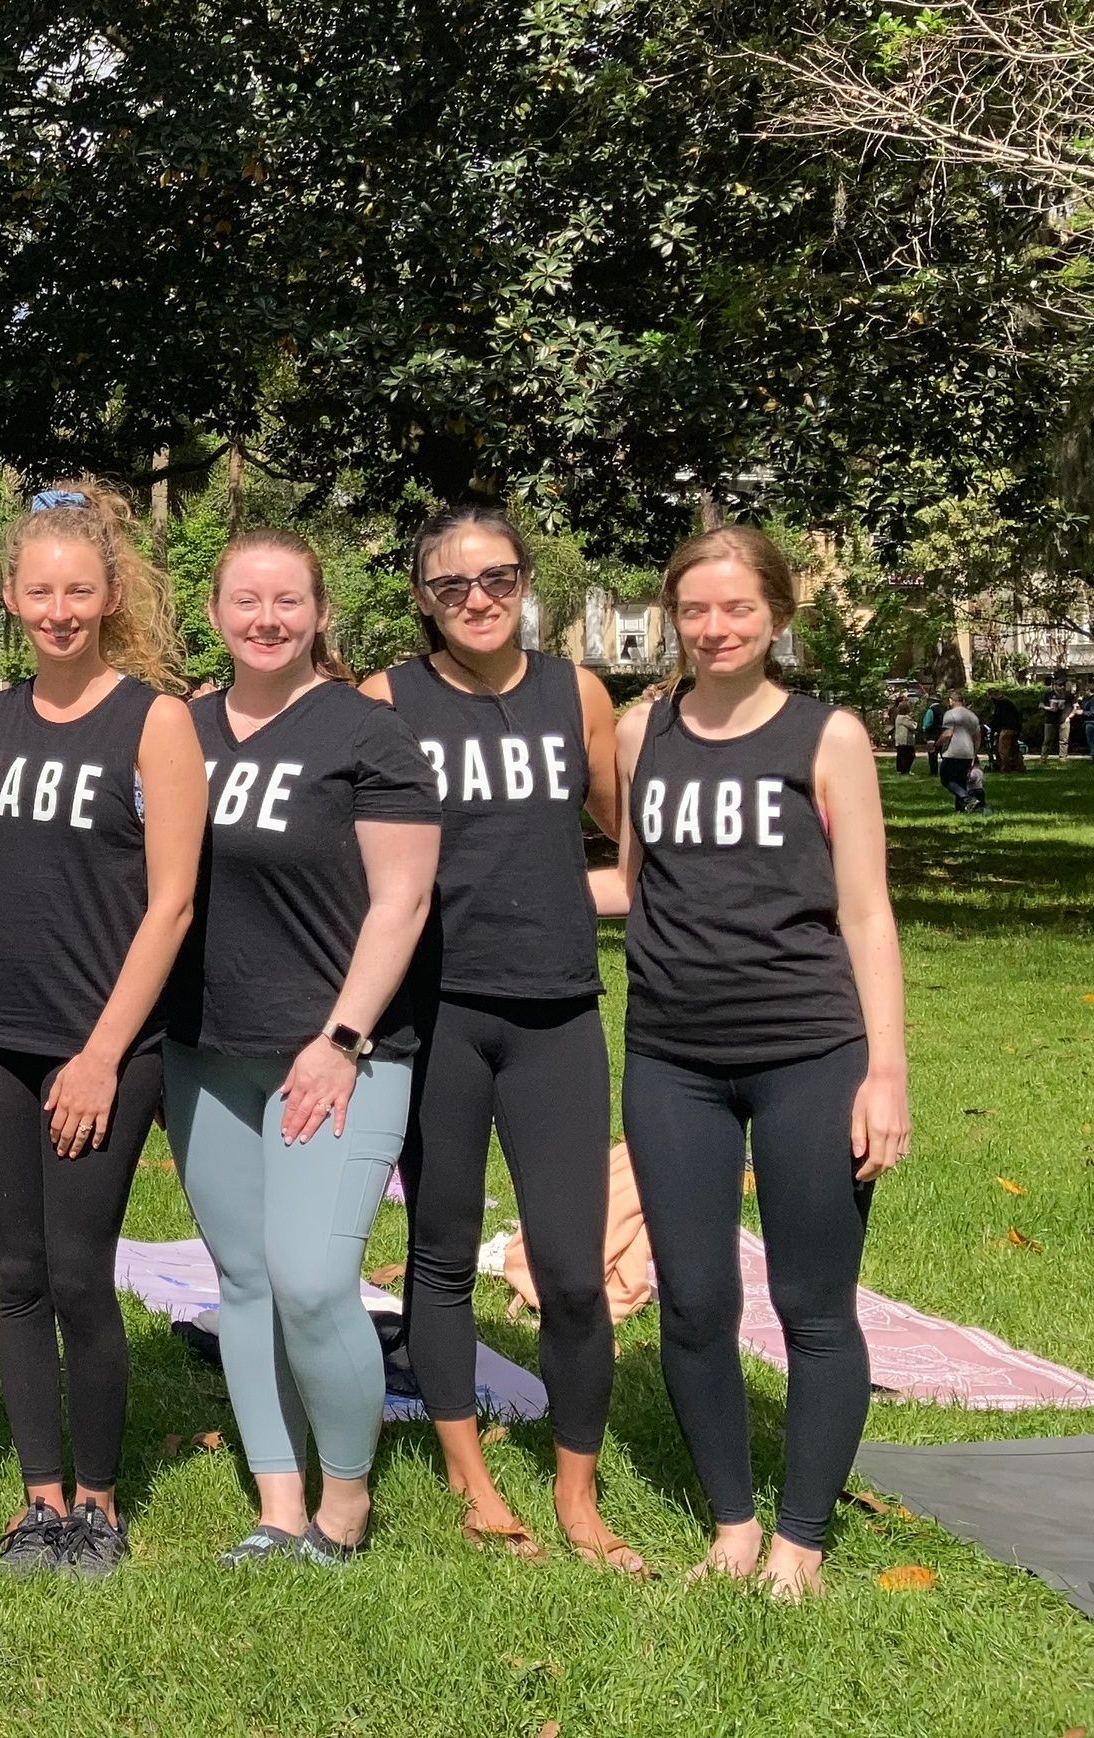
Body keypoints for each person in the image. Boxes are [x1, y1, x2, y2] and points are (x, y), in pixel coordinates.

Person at [596, 525, 911, 1597]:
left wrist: (886, 1073)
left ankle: (802, 1542)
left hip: (809, 1055)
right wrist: (472, 880)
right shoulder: (644, 734)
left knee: (814, 1307)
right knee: (690, 1303)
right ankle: (733, 1525)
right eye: (695, 610)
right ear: (671, 619)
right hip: (672, 1057)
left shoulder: (830, 739)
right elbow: (634, 885)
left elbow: (867, 913)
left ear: (776, 615)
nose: (716, 628)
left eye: (737, 609)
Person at [363, 505, 642, 1572]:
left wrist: (580, 899)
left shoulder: (576, 692)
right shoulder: (387, 700)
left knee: (572, 1274)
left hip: (557, 1014)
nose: (476, 599)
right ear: (423, 596)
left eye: (497, 578)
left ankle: (577, 1495)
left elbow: (632, 842)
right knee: (437, 1258)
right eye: (451, 585)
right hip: (437, 1017)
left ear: (526, 581)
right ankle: (473, 1481)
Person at [164, 529, 440, 1567]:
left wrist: (341, 1036)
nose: (266, 620)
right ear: (215, 612)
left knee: (315, 1281)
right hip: (205, 1051)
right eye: (246, 601)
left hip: (340, 1056)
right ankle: (279, 1504)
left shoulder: (367, 734)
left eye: (287, 602)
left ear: (321, 613)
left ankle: (348, 1500)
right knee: (243, 1279)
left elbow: (402, 900)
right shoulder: (179, 730)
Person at [0, 488, 203, 1578]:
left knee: (77, 1275)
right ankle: (39, 1498)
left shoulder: (153, 720)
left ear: (110, 599)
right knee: (15, 1273)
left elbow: (174, 903)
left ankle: (98, 1502)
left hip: (101, 1042)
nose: (58, 611)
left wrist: (102, 1053)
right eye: (39, 591)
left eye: (79, 592)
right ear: (12, 597)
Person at [935, 691, 983, 813]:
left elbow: (948, 733)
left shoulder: (950, 714)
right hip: (968, 752)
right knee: (960, 780)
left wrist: (937, 744)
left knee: (946, 778)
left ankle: (967, 799)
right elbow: (977, 737)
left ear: (951, 701)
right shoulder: (972, 716)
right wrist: (974, 752)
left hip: (953, 751)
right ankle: (961, 808)